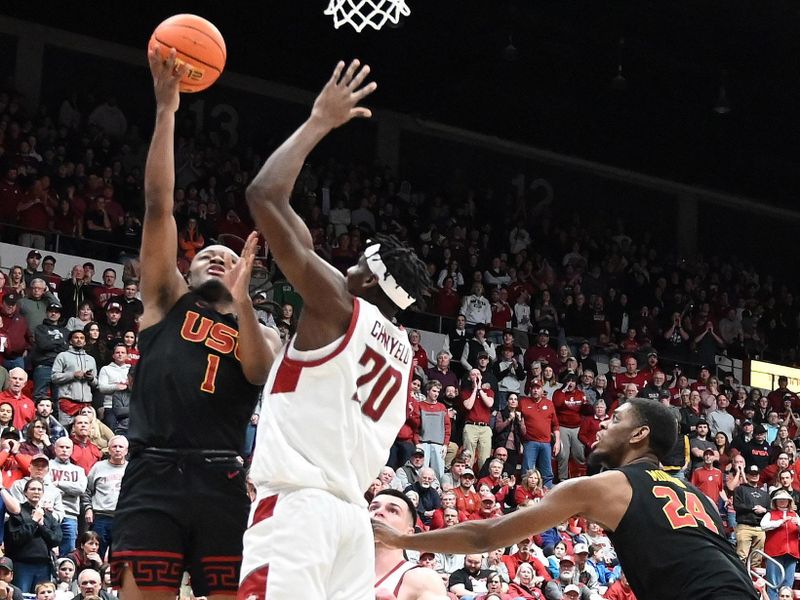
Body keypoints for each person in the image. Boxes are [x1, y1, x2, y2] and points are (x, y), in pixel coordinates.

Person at [241, 59, 431, 600]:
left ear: (368, 280)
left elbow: (263, 196)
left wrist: (319, 121)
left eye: (357, 264)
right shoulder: (404, 352)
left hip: (300, 511)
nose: (344, 265)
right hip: (351, 522)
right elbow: (298, 234)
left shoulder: (338, 306)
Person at [111, 46, 280, 600]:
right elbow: (159, 205)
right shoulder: (165, 299)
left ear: (246, 276)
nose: (216, 255)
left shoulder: (264, 330)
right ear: (187, 265)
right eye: (205, 252)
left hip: (223, 479)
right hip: (152, 472)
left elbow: (258, 369)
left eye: (230, 257)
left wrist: (245, 302)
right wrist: (166, 111)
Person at [374, 399, 759, 600]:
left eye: (616, 420)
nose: (604, 424)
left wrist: (404, 540)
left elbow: (485, 537)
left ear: (639, 434)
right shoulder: (695, 495)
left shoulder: (608, 485)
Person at [370, 489, 448, 600]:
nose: (378, 512)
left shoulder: (422, 578)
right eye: (373, 508)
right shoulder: (345, 570)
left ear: (409, 533)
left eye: (393, 510)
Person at [4, 478, 62, 593]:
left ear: (43, 493)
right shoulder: (17, 512)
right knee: (22, 596)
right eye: (32, 489)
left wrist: (41, 526)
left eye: (39, 489)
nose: (36, 492)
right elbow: (16, 539)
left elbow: (56, 539)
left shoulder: (48, 515)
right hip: (22, 565)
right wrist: (34, 521)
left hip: (44, 565)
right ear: (25, 492)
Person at [85, 436, 128, 560]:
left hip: (123, 519)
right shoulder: (98, 467)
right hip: (101, 517)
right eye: (114, 447)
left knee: (120, 556)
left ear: (126, 451)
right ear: (109, 450)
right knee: (96, 554)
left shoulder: (131, 469)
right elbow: (87, 490)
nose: (117, 450)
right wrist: (88, 509)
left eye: (121, 447)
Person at [49, 437, 87, 555]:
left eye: (67, 448)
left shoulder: (79, 470)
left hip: (71, 515)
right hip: (50, 513)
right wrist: (70, 490)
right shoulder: (48, 465)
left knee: (69, 553)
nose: (64, 450)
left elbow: (80, 489)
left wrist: (59, 484)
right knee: (49, 550)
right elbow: (47, 488)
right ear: (55, 449)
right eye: (61, 447)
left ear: (72, 450)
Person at [760, 489, 800, 600]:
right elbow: (764, 526)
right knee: (773, 583)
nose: (782, 501)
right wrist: (781, 522)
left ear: (789, 501)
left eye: (785, 499)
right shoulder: (770, 514)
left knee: (788, 584)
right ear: (775, 502)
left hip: (792, 553)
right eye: (779, 499)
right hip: (774, 553)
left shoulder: (795, 515)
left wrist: (798, 523)